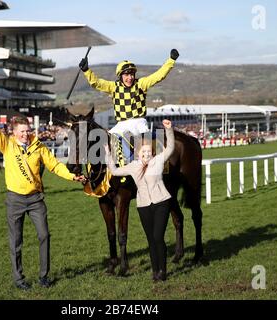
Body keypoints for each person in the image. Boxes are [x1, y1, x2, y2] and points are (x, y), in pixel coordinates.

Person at [0, 98, 86, 290]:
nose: (26, 134)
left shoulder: (39, 146)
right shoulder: (7, 144)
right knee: (16, 241)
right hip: (14, 200)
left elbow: (55, 165)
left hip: (36, 199)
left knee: (44, 235)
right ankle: (19, 279)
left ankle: (44, 276)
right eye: (22, 132)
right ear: (14, 133)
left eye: (28, 131)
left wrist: (72, 176)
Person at [80, 49, 179, 167]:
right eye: (126, 75)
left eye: (132, 74)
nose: (130, 78)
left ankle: (153, 169)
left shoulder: (141, 84)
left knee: (145, 148)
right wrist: (86, 70)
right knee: (104, 142)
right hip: (121, 124)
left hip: (139, 123)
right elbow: (96, 83)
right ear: (120, 76)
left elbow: (159, 75)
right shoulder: (113, 87)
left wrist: (171, 60)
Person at [105, 119, 175, 282]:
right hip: (143, 206)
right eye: (143, 153)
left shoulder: (158, 161)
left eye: (148, 152)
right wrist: (108, 155)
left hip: (161, 202)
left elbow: (170, 147)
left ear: (152, 152)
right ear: (138, 154)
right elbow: (114, 171)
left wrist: (169, 130)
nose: (146, 155)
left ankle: (163, 270)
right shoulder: (134, 166)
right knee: (151, 240)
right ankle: (155, 271)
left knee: (158, 237)